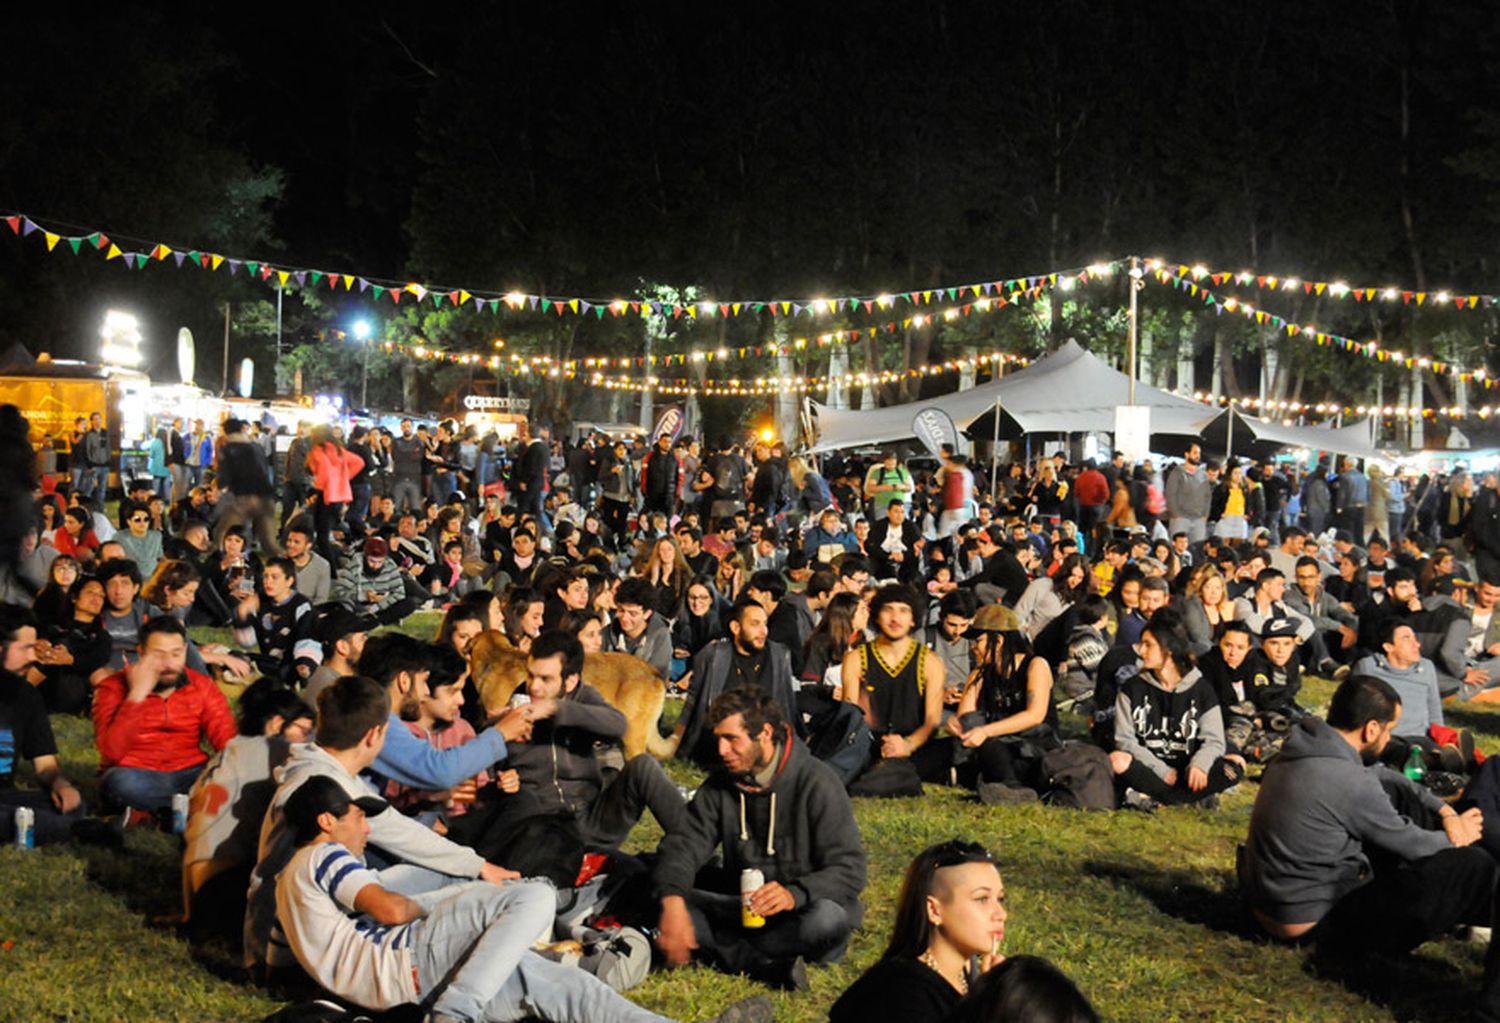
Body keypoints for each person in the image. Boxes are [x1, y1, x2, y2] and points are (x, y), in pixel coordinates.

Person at [1242, 675, 1500, 1017]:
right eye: (1390, 729)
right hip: (1312, 925)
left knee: (1399, 795)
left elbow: (1382, 776)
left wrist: (1446, 809)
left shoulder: (1303, 748)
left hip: (1268, 903)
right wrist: (1458, 834)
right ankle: (1478, 921)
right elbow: (1418, 846)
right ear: (1371, 729)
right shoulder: (1350, 783)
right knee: (1470, 866)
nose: (1391, 737)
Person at [244, 674, 523, 969]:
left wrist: (475, 864)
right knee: (455, 881)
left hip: (272, 934)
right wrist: (478, 868)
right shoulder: (331, 791)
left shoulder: (318, 770)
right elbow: (400, 833)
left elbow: (392, 824)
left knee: (446, 870)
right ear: (374, 736)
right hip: (296, 951)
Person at [655, 687, 865, 990]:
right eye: (718, 740)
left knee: (826, 920)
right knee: (662, 891)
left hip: (798, 912)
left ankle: (725, 950)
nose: (721, 751)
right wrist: (673, 903)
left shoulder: (817, 782)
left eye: (732, 739)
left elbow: (851, 870)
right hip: (741, 908)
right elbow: (684, 844)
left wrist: (794, 894)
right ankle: (760, 964)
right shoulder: (720, 785)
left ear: (764, 733)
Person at [182, 680, 314, 935]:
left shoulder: (226, 755)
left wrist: (189, 913)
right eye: (304, 731)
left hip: (201, 891)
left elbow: (195, 841)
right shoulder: (277, 751)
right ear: (277, 724)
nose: (307, 740)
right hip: (231, 893)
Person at [829, 839, 1006, 1023]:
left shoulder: (968, 978)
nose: (1001, 914)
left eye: (1000, 899)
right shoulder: (904, 995)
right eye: (982, 899)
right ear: (934, 910)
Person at [92, 615, 236, 816]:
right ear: (141, 652)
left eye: (176, 654)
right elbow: (112, 752)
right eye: (158, 655)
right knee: (118, 784)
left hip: (190, 770)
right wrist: (136, 696)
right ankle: (188, 807)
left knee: (230, 776)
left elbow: (226, 740)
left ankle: (152, 812)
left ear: (185, 651)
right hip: (136, 772)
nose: (168, 663)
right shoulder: (112, 688)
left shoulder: (201, 686)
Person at [1110, 609, 1243, 810]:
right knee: (1117, 760)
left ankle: (1160, 798)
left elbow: (1214, 740)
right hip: (1151, 769)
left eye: (1148, 645)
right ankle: (1187, 798)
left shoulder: (1201, 689)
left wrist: (1199, 764)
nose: (1141, 651)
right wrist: (1161, 770)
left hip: (1187, 768)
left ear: (1168, 649)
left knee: (1234, 766)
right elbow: (1124, 740)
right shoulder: (1132, 688)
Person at [841, 584, 950, 785]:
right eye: (888, 609)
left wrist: (907, 745)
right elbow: (850, 715)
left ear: (913, 619)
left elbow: (932, 720)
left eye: (903, 611)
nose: (895, 618)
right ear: (876, 616)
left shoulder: (930, 662)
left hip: (915, 744)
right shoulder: (856, 659)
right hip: (868, 744)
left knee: (952, 748)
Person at [950, 605, 1058, 803]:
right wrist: (957, 724)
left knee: (991, 747)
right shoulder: (981, 673)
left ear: (998, 641)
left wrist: (986, 731)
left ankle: (1012, 790)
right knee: (943, 750)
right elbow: (966, 720)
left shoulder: (1035, 666)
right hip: (991, 746)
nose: (973, 647)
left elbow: (1035, 716)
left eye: (978, 641)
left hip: (1031, 748)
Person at [674, 599, 799, 766]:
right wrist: (676, 742)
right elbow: (693, 703)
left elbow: (787, 706)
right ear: (735, 628)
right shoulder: (713, 656)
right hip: (720, 742)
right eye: (755, 624)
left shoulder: (778, 657)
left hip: (763, 740)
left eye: (765, 624)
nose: (764, 631)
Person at [0, 607, 85, 844]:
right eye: (26, 649)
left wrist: (60, 784)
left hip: (5, 797)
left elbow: (46, 765)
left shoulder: (26, 696)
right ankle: (75, 830)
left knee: (70, 803)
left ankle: (45, 826)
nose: (32, 657)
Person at [231, 556, 320, 687]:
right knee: (233, 657)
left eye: (274, 577)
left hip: (293, 664)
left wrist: (305, 663)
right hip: (270, 660)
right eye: (266, 576)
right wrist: (242, 612)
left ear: (289, 581)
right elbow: (247, 642)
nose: (268, 582)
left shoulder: (301, 605)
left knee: (284, 673)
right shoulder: (260, 600)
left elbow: (307, 638)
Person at [334, 535, 416, 625]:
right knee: (342, 607)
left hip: (382, 606)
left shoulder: (390, 565)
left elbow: (399, 593)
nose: (376, 566)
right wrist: (364, 596)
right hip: (358, 605)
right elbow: (340, 591)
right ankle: (371, 620)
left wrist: (379, 603)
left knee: (409, 603)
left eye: (380, 562)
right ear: (365, 556)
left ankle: (375, 621)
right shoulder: (353, 566)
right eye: (372, 561)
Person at [604, 576, 673, 678]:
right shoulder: (607, 633)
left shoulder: (659, 635)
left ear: (647, 614)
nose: (624, 618)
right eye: (621, 610)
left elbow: (658, 675)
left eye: (632, 613)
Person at [282, 521, 331, 605]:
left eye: (296, 542)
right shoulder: (280, 562)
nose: (291, 545)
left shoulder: (322, 566)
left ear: (308, 545)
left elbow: (321, 600)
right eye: (289, 540)